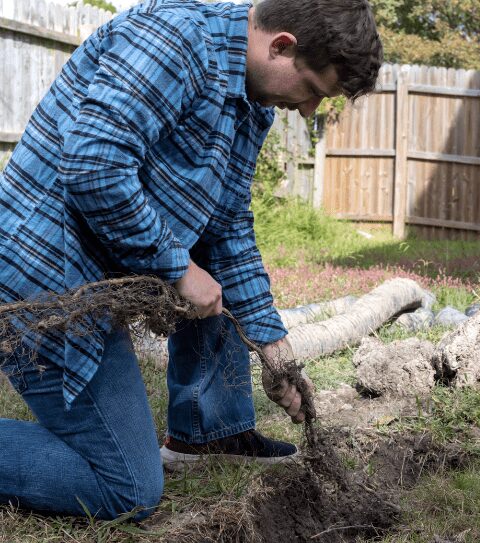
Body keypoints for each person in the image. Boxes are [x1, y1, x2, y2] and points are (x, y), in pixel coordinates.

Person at [0, 0, 382, 521]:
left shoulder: (251, 100)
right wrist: (177, 269)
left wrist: (273, 347)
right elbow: (94, 166)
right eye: (314, 90)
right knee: (127, 489)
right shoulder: (176, 42)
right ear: (282, 45)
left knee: (209, 258)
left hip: (94, 277)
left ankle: (208, 435)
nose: (310, 109)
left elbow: (227, 227)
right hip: (43, 276)